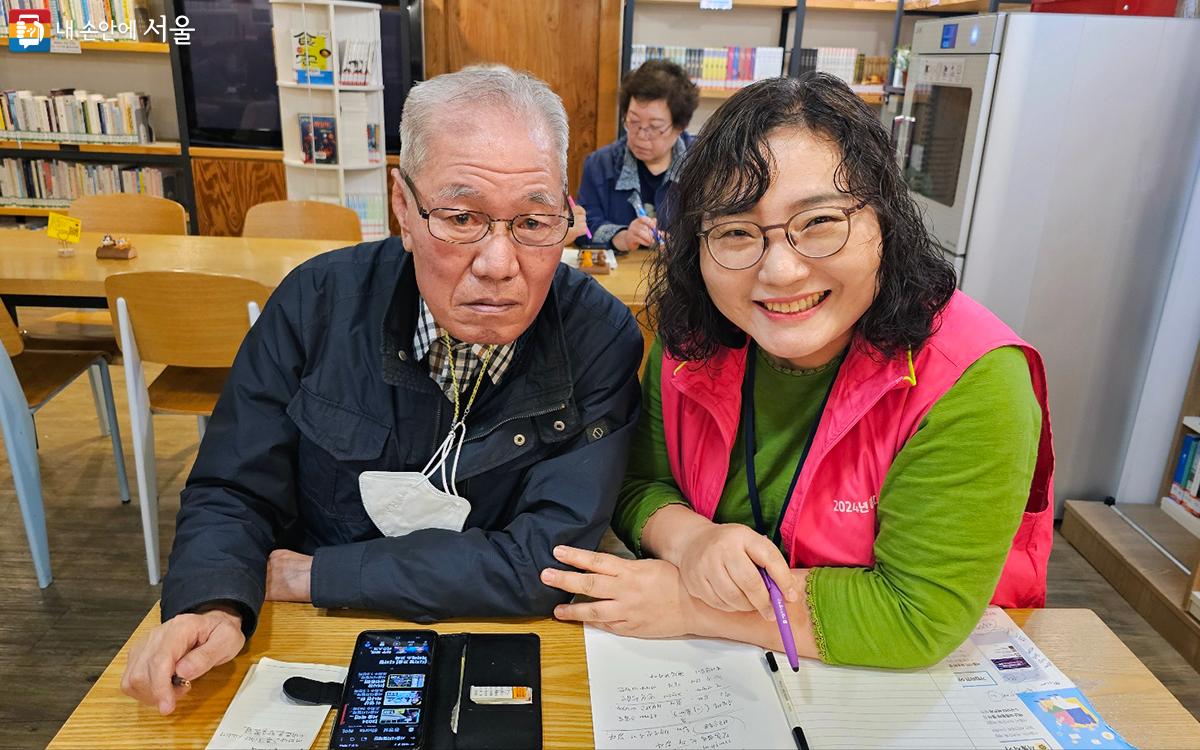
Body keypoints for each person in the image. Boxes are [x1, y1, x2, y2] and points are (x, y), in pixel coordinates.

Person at [121, 65, 644, 714]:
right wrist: (214, 603)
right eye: (461, 217)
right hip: (320, 639)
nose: (500, 264)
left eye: (534, 223)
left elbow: (549, 558)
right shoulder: (318, 303)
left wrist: (317, 575)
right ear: (403, 207)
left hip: (498, 645)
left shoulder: (598, 334)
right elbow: (234, 485)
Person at [541, 73, 1055, 668]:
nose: (780, 272)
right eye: (735, 232)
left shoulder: (973, 379)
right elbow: (639, 483)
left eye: (819, 223)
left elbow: (917, 615)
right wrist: (691, 539)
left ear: (885, 221)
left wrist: (692, 606)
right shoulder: (690, 338)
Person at [578, 59, 699, 253]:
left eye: (655, 127)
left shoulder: (704, 165)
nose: (641, 136)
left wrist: (685, 246)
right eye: (633, 122)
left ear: (680, 126)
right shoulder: (600, 165)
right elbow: (585, 227)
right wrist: (622, 236)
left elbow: (722, 227)